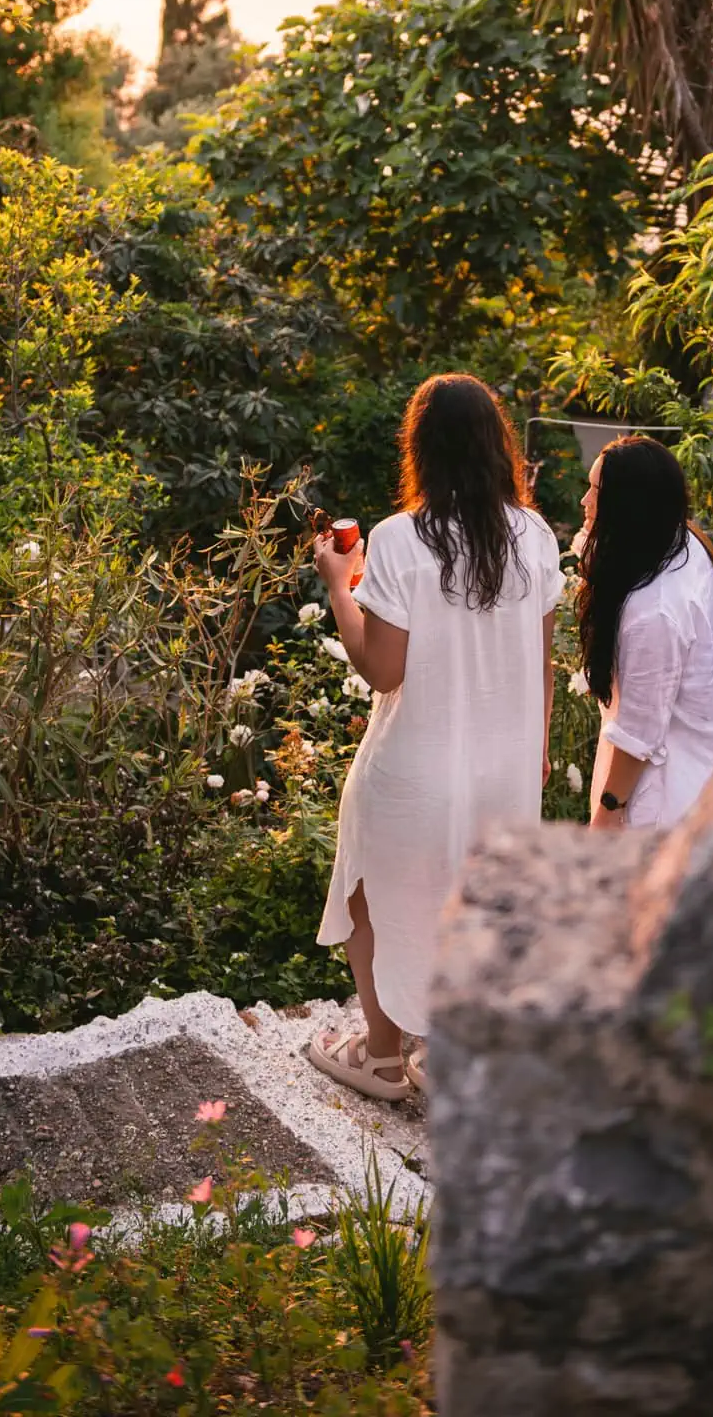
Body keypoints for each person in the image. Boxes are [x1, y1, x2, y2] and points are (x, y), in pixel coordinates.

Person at [309, 373, 563, 1101]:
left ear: (419, 450)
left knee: (371, 891)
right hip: (507, 768)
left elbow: (381, 671)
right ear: (497, 447)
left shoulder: (398, 541)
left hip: (415, 762)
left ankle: (383, 1057)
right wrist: (536, 752)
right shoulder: (535, 537)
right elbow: (540, 665)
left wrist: (338, 584)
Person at [576, 436, 713, 832]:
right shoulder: (681, 545)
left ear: (625, 508)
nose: (584, 502)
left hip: (662, 809)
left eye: (594, 490)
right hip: (697, 780)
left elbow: (638, 734)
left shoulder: (656, 609)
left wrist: (606, 816)